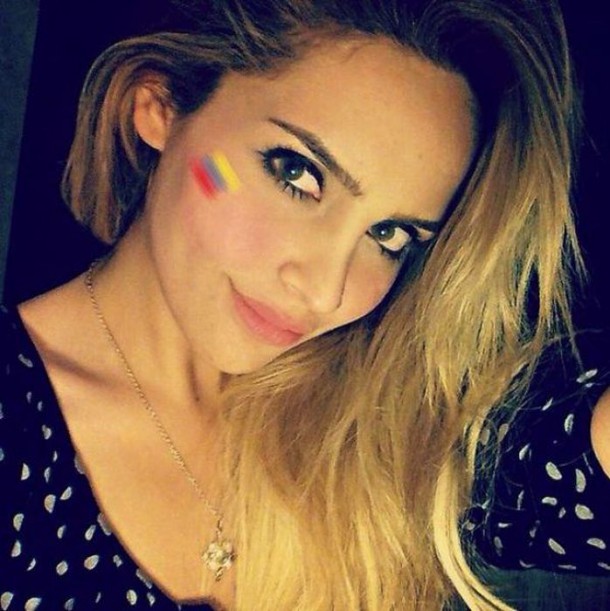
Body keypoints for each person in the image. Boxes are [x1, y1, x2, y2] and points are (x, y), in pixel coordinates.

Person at [1, 0, 608, 609]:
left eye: (389, 234)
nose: (324, 291)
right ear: (160, 107)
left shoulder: (375, 426)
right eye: (295, 174)